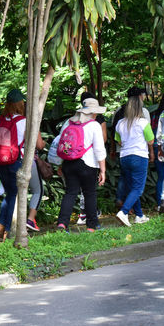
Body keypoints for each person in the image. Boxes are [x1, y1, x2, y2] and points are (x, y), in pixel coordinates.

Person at [0, 89, 45, 239]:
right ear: (21, 104)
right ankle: (8, 229)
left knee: (10, 193)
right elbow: (39, 145)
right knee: (15, 194)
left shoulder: (0, 119)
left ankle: (0, 225)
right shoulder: (24, 121)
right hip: (16, 161)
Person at [57, 98, 107, 232]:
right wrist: (103, 170)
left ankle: (62, 224)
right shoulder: (94, 125)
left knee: (70, 193)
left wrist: (60, 164)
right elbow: (99, 149)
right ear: (93, 113)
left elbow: (60, 143)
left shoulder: (69, 122)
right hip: (87, 164)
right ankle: (91, 226)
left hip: (68, 163)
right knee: (89, 193)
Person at [115, 93, 155, 227]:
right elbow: (151, 140)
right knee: (138, 188)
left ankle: (139, 216)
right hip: (139, 156)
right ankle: (124, 212)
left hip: (124, 157)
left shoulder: (120, 123)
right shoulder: (143, 122)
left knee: (132, 187)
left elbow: (119, 142)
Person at [110, 87, 150, 210]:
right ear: (139, 97)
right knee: (137, 186)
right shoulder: (143, 113)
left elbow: (114, 131)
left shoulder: (119, 111)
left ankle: (121, 200)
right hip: (139, 152)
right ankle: (126, 209)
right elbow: (149, 136)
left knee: (125, 178)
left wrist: (113, 149)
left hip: (122, 151)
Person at [76, 91, 106, 225]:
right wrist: (103, 169)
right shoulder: (97, 122)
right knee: (90, 191)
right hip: (90, 159)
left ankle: (69, 220)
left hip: (73, 158)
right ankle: (90, 219)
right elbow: (102, 141)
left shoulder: (74, 119)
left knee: (73, 191)